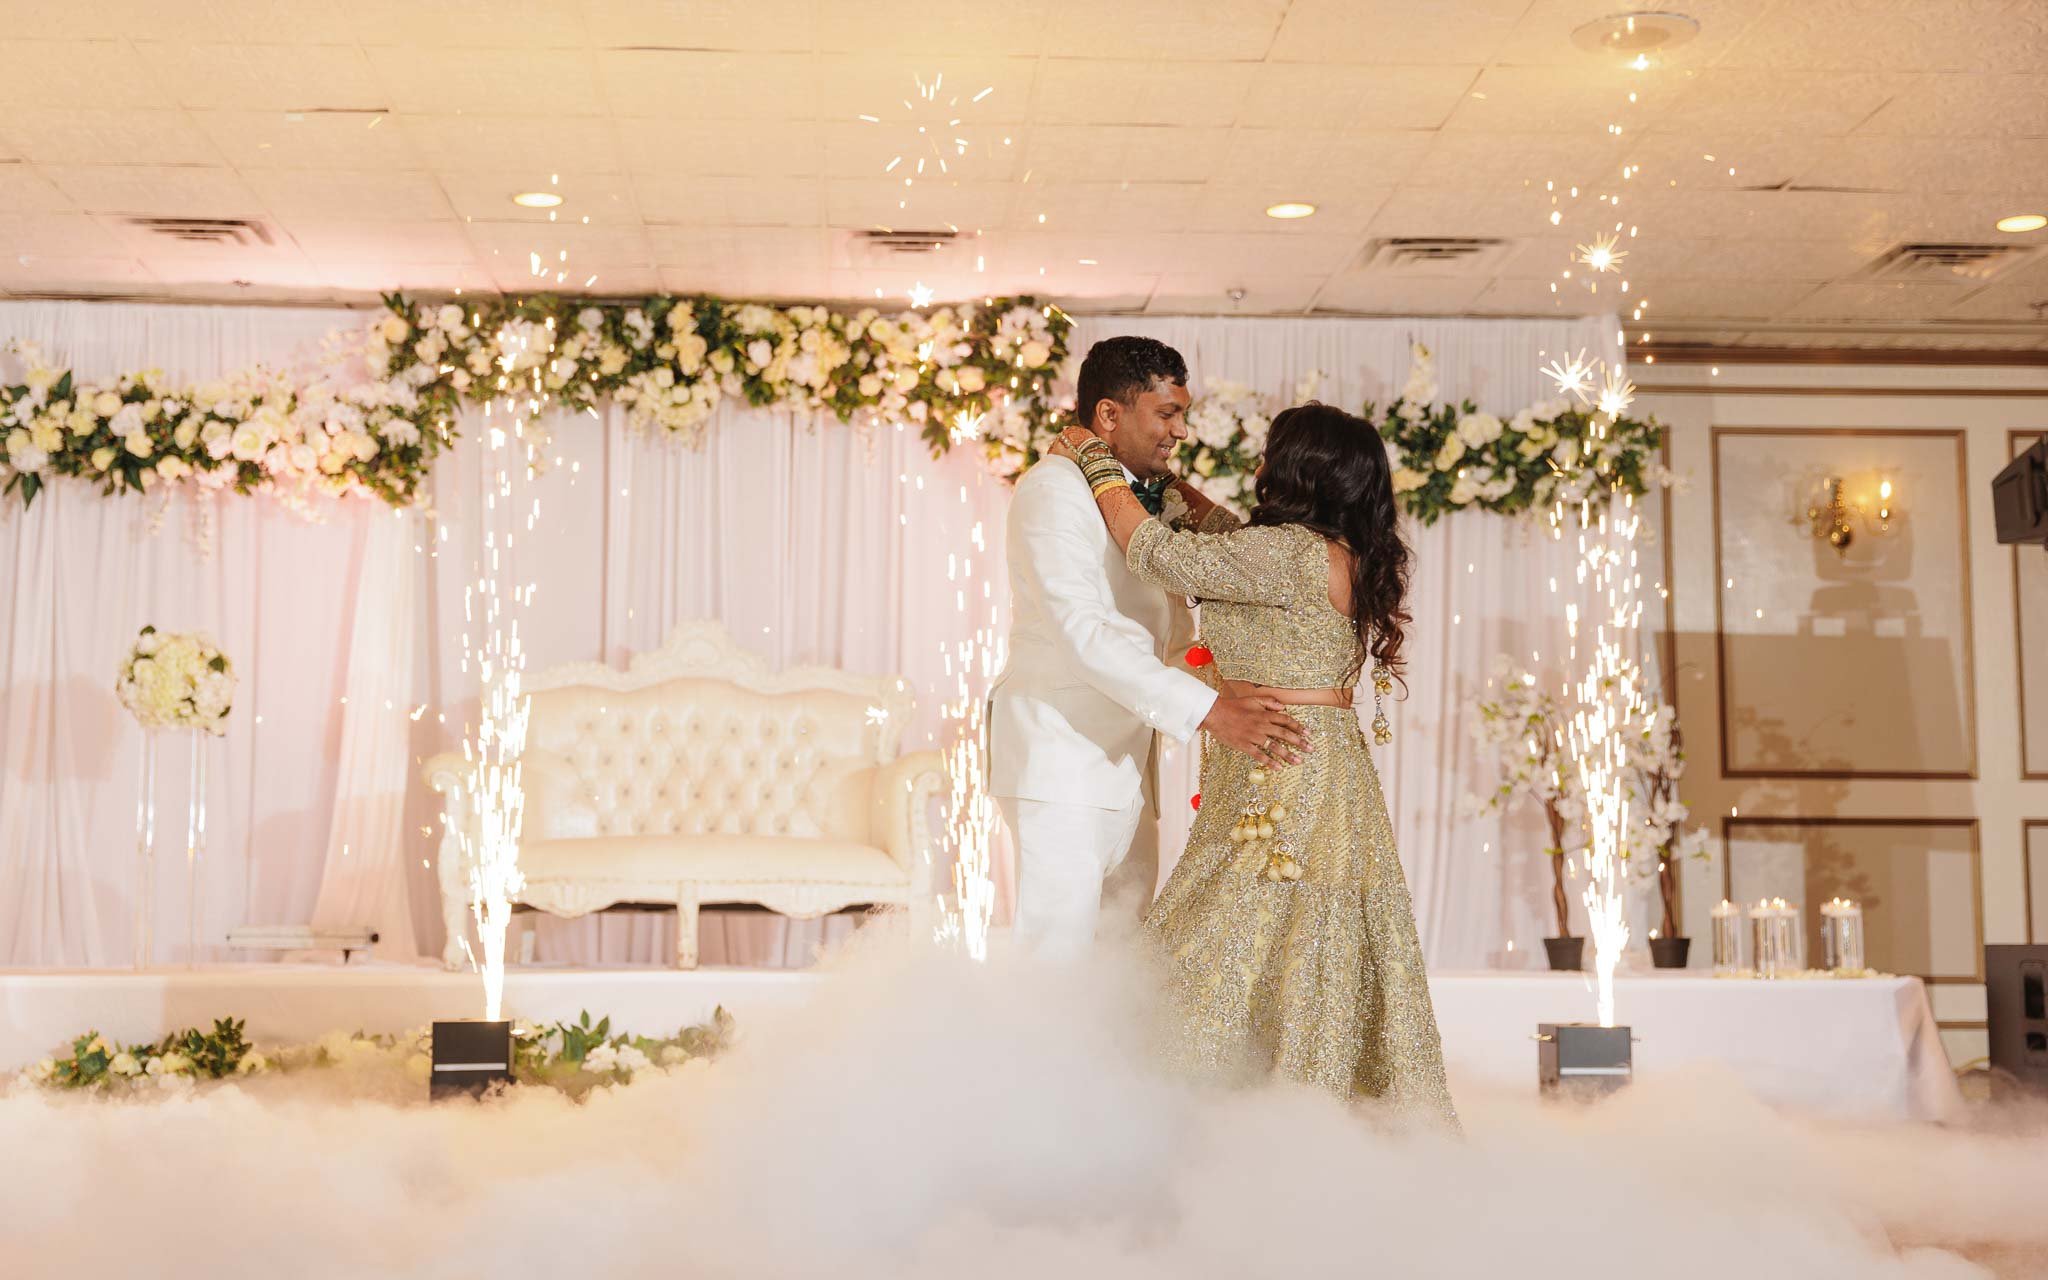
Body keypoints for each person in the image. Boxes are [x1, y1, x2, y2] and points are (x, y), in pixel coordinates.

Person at [1048, 403, 1458, 1125]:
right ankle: (1298, 1103)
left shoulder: (1283, 554)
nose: (1259, 464)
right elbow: (1221, 536)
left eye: (1272, 452)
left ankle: (1161, 1100)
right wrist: (1174, 484)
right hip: (1325, 766)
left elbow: (1153, 551)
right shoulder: (1329, 550)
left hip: (1281, 767)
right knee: (1293, 933)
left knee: (1222, 930)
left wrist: (1091, 456)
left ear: (1298, 468)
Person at [988, 337, 1312, 960]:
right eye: (1166, 414)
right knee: (1056, 961)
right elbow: (1084, 634)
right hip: (1061, 756)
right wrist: (1212, 713)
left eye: (1182, 414)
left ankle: (1104, 1065)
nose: (1180, 431)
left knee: (1121, 958)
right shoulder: (1054, 491)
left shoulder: (1146, 497)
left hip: (1127, 761)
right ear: (1109, 415)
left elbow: (1167, 633)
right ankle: (1034, 1063)